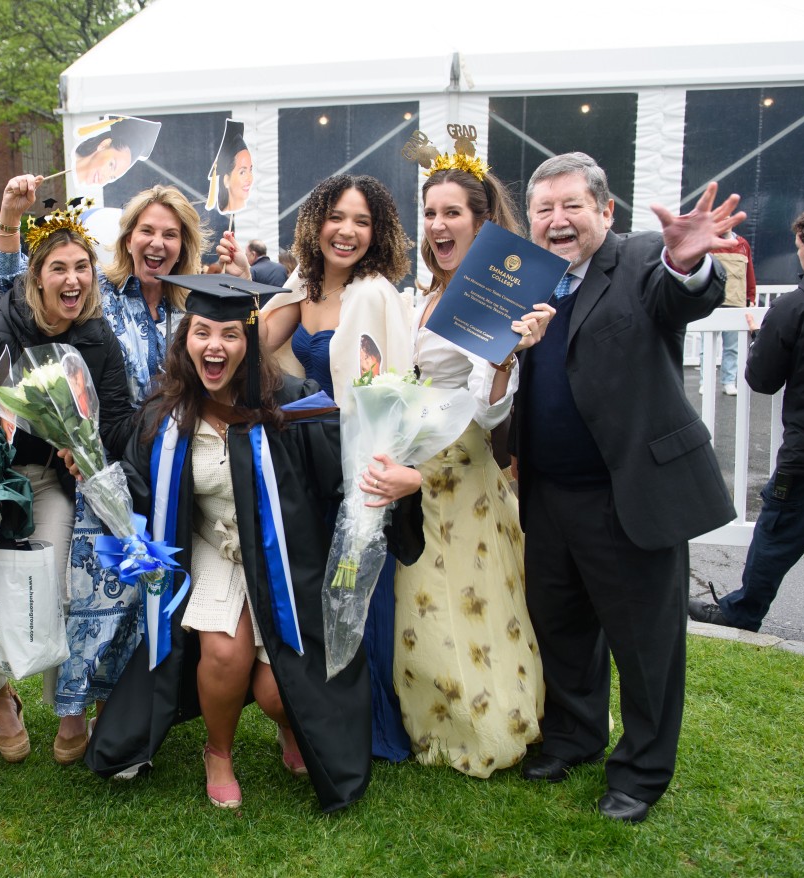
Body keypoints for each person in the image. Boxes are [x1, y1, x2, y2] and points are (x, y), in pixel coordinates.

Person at [85, 279, 424, 812]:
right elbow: (138, 491)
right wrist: (91, 475)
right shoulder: (165, 416)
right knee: (223, 652)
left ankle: (292, 729)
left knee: (274, 691)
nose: (214, 346)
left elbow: (347, 474)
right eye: (201, 333)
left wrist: (402, 480)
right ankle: (217, 752)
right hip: (213, 548)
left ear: (249, 342)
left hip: (285, 560)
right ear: (184, 340)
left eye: (229, 334)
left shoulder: (291, 404)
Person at [514, 152, 741, 823]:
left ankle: (641, 773)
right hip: (549, 495)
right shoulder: (530, 279)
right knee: (561, 630)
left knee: (646, 645)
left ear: (604, 212)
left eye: (570, 207)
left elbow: (683, 296)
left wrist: (688, 263)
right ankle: (575, 738)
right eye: (544, 210)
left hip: (627, 493)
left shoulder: (643, 260)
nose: (557, 221)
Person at [0, 175, 208, 758]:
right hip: (95, 466)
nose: (158, 243)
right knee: (93, 590)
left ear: (185, 243)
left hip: (171, 466)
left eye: (171, 234)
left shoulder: (195, 306)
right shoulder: (98, 295)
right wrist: (10, 216)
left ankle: (129, 702)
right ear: (128, 238)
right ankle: (74, 708)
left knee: (147, 590)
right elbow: (11, 288)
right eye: (147, 231)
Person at [0, 210, 135, 765]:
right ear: (36, 277)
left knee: (57, 587)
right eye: (59, 268)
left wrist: (88, 451)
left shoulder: (97, 336)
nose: (73, 279)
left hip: (53, 483)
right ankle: (3, 703)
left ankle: (66, 705)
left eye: (83, 267)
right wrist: (10, 441)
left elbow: (119, 416)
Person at [395, 155, 553, 777]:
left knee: (465, 599)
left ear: (482, 223)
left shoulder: (494, 298)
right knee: (421, 599)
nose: (437, 224)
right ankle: (429, 715)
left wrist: (507, 361)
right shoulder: (428, 293)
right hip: (413, 463)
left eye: (451, 212)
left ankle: (482, 722)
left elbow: (491, 416)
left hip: (461, 471)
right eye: (430, 213)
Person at [254, 173, 416, 762]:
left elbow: (387, 387)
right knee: (321, 592)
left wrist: (375, 476)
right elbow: (259, 341)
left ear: (378, 234)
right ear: (315, 221)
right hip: (311, 460)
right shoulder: (305, 283)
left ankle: (370, 727)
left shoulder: (375, 293)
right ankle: (321, 713)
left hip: (358, 464)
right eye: (337, 217)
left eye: (362, 222)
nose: (347, 231)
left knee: (359, 590)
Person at [690, 203, 804, 632]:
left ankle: (742, 611)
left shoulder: (795, 307)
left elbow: (762, 380)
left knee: (776, 534)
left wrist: (761, 334)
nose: (798, 253)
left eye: (800, 246)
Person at [699, 230, 756, 396]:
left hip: (735, 302)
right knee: (706, 347)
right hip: (711, 302)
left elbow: (749, 272)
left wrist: (751, 295)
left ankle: (729, 381)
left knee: (732, 347)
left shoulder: (743, 244)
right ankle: (705, 381)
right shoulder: (709, 242)